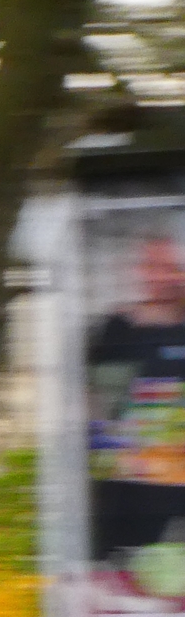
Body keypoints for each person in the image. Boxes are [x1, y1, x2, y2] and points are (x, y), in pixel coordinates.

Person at [88, 233, 185, 560]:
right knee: (121, 567)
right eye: (153, 266)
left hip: (177, 482)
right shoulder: (116, 328)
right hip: (126, 487)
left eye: (171, 267)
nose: (162, 277)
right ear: (139, 271)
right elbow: (92, 399)